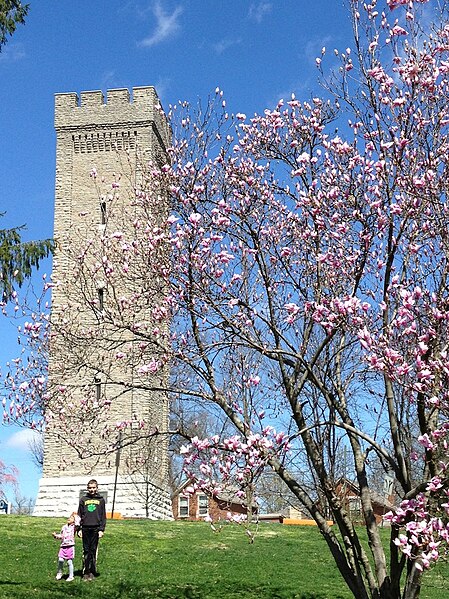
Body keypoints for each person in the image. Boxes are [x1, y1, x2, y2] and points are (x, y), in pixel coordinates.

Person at [77, 479, 106, 581]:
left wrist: (101, 529)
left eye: (93, 487)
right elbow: (79, 515)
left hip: (95, 528)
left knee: (93, 550)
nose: (92, 489)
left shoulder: (101, 500)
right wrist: (79, 528)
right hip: (85, 528)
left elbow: (103, 516)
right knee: (86, 550)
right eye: (90, 488)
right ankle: (86, 571)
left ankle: (92, 571)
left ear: (97, 488)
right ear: (87, 488)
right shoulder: (83, 500)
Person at [52, 512, 79, 582]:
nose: (69, 518)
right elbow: (62, 536)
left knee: (69, 562)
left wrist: (75, 516)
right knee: (60, 560)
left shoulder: (74, 527)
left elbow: (78, 522)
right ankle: (59, 573)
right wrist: (56, 536)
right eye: (69, 517)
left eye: (71, 518)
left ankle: (71, 576)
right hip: (63, 546)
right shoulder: (64, 527)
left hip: (70, 546)